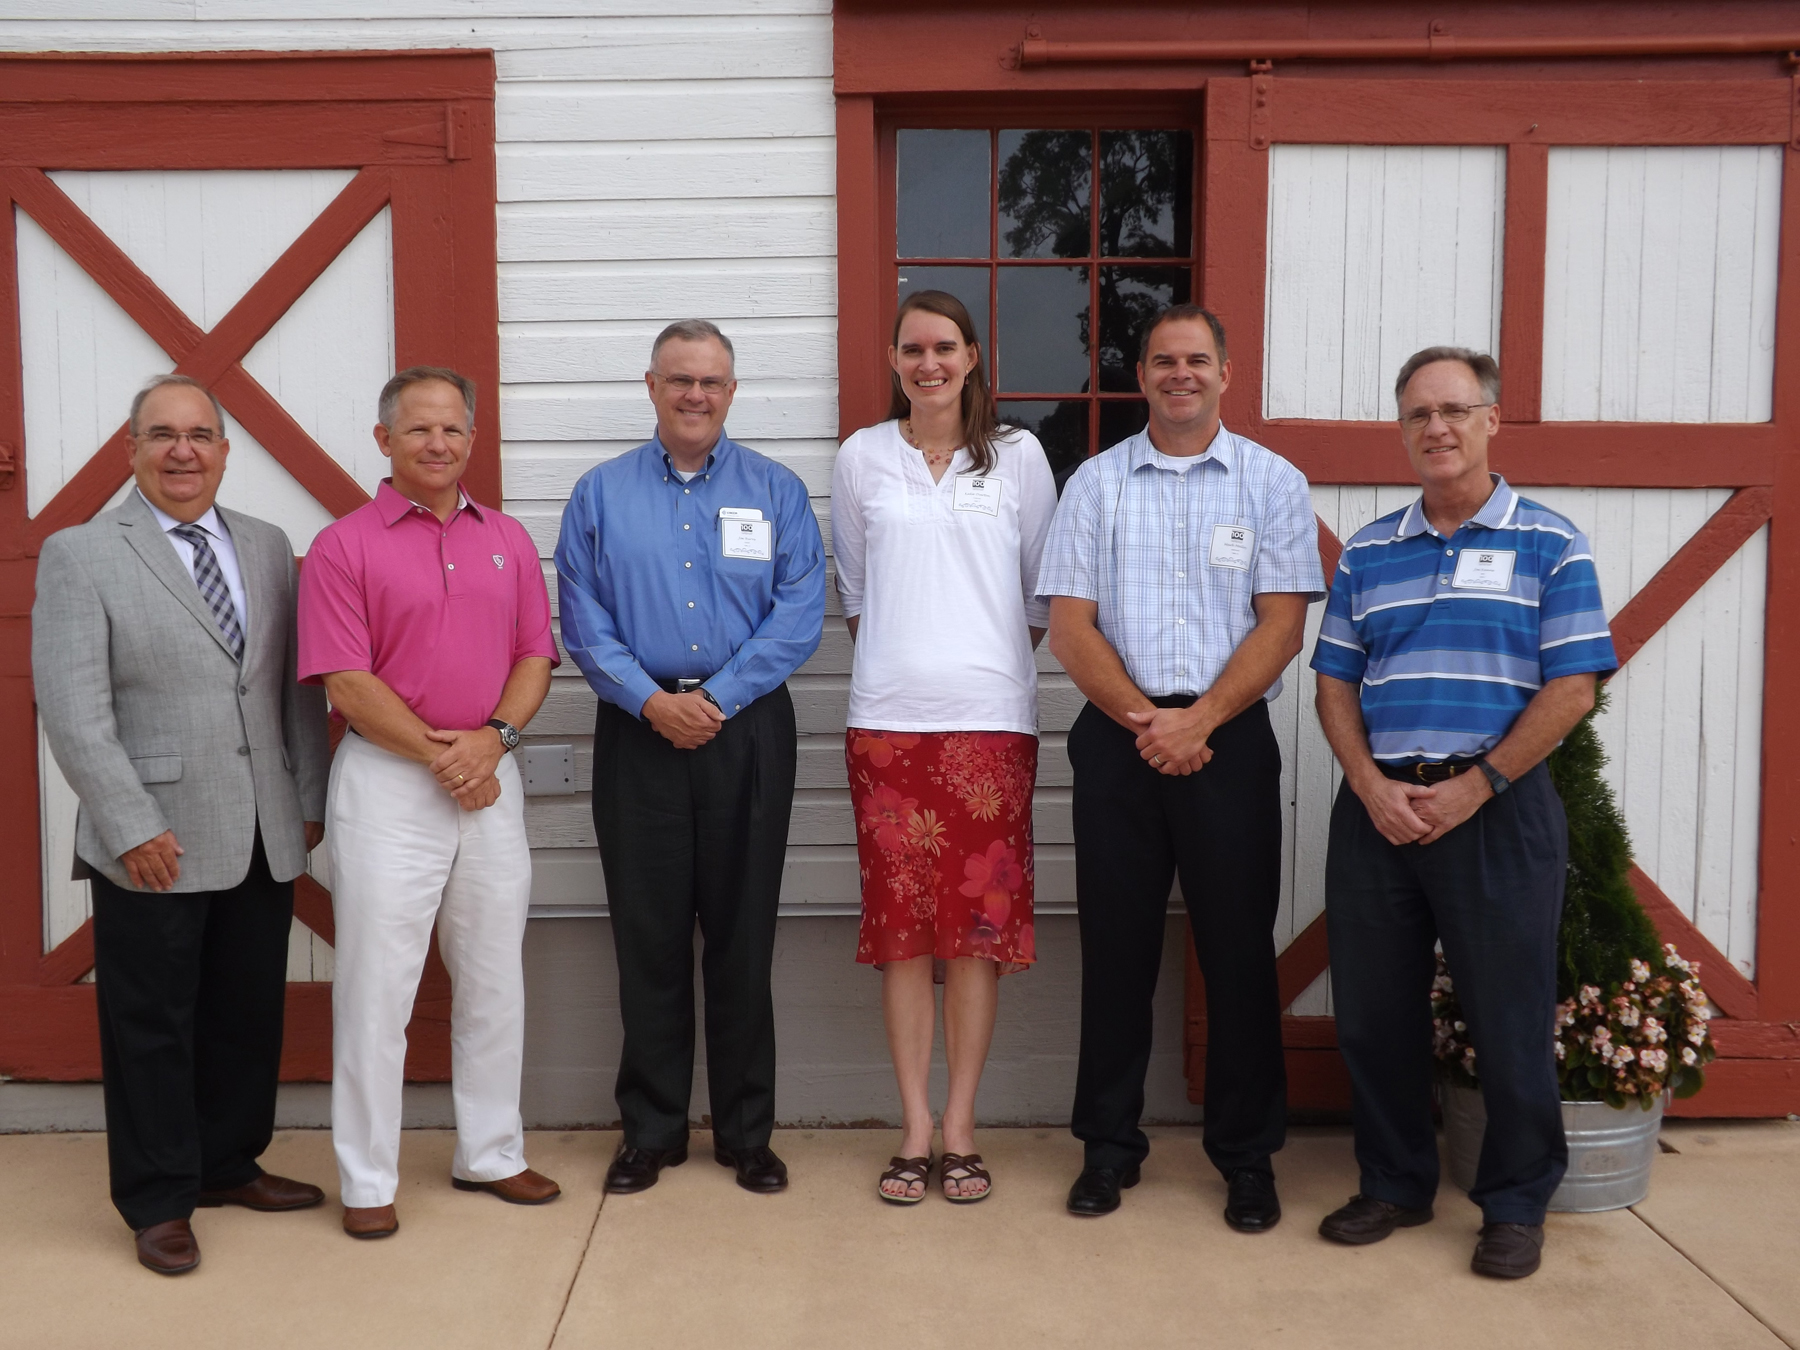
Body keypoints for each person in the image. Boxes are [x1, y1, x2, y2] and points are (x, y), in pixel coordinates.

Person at [1311, 346, 1617, 1280]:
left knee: (1508, 1012)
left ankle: (1516, 1203)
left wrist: (1477, 783)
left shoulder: (1552, 541)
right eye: (1416, 415)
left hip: (1497, 808)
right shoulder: (1369, 550)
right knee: (1371, 1010)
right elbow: (1333, 683)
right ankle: (1396, 1183)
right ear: (1400, 432)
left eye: (1452, 410)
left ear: (1492, 420)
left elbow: (1573, 685)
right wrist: (1369, 784)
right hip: (1380, 807)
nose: (1435, 429)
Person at [32, 374, 330, 1275]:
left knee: (245, 1013)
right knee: (152, 1022)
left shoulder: (271, 547)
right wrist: (130, 824)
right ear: (132, 450)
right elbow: (74, 709)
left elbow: (294, 692)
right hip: (154, 837)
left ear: (226, 450)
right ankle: (159, 1199)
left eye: (200, 434)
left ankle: (229, 1163)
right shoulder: (81, 553)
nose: (183, 451)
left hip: (262, 829)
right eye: (162, 435)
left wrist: (306, 801)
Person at [1036, 304, 1324, 1226]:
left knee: (1238, 953)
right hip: (1120, 741)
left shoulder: (1272, 483)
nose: (1181, 374)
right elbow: (1069, 625)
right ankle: (1108, 1148)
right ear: (1142, 374)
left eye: (1198, 359)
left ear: (1225, 372)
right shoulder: (1096, 483)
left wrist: (1198, 719)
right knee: (1115, 951)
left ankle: (1247, 1159)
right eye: (1164, 360)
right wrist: (1143, 719)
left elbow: (1283, 620)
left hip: (1227, 741)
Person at [554, 320, 825, 1196]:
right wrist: (651, 701)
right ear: (651, 386)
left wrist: (717, 700)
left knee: (744, 937)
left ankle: (747, 1133)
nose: (695, 395)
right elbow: (584, 617)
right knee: (649, 937)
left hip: (745, 729)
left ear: (733, 391)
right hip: (639, 731)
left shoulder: (777, 492)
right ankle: (652, 1131)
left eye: (711, 381)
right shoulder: (599, 495)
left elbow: (799, 611)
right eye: (679, 380)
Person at [298, 366, 560, 1239]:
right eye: (418, 431)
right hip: (387, 785)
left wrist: (495, 743)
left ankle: (490, 1152)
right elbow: (346, 679)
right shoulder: (344, 546)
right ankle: (368, 1181)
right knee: (377, 987)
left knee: (493, 976)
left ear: (471, 439)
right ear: (384, 440)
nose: (437, 445)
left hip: (493, 773)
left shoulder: (509, 540)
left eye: (452, 430)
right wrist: (449, 759)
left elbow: (534, 657)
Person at [832, 291, 1057, 1205]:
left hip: (990, 728)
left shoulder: (1020, 457)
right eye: (913, 349)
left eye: (946, 348)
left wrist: (977, 667)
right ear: (893, 360)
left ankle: (960, 1127)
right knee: (899, 939)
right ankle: (913, 1128)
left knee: (973, 936)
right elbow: (855, 590)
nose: (930, 363)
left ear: (972, 357)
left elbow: (1040, 592)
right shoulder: (861, 458)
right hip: (887, 725)